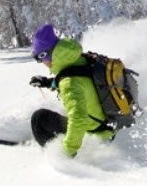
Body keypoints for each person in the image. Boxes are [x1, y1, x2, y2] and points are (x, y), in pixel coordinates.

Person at [28, 23, 115, 156]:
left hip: (95, 133)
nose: (42, 63)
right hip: (108, 123)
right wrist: (47, 82)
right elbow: (81, 77)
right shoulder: (79, 58)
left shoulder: (68, 82)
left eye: (40, 59)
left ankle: (54, 153)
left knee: (39, 119)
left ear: (47, 55)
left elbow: (78, 118)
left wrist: (66, 153)